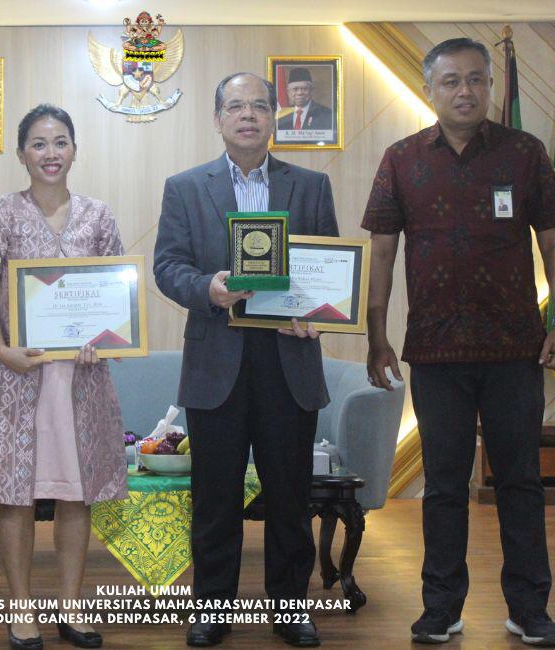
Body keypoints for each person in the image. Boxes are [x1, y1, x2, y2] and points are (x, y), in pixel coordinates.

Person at [362, 38, 555, 648]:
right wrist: (377, 337)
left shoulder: (524, 151)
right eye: (452, 81)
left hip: (515, 349)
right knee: (446, 486)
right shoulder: (402, 158)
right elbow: (382, 250)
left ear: (489, 86)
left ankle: (529, 609)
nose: (465, 91)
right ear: (430, 90)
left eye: (476, 80)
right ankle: (440, 608)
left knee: (520, 482)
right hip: (434, 352)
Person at [154, 72, 338, 648]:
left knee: (289, 497)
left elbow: (326, 266)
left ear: (273, 117)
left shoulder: (310, 185)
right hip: (217, 363)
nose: (249, 115)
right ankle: (212, 610)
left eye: (260, 105)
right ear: (218, 119)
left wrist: (317, 311)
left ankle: (290, 611)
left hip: (289, 359)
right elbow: (167, 266)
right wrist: (205, 287)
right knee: (215, 499)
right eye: (236, 106)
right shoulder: (185, 187)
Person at [0, 103, 128, 650]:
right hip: (20, 376)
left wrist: (102, 341)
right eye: (38, 143)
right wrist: (2, 349)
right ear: (21, 154)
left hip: (81, 380)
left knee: (75, 496)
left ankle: (73, 608)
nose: (50, 153)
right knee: (14, 498)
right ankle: (21, 612)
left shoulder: (99, 216)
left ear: (75, 150)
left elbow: (113, 296)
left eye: (61, 142)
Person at [275, 67, 333, 132]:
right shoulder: (281, 115)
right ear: (288, 92)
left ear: (311, 90)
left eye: (304, 89)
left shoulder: (326, 114)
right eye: (295, 89)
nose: (300, 93)